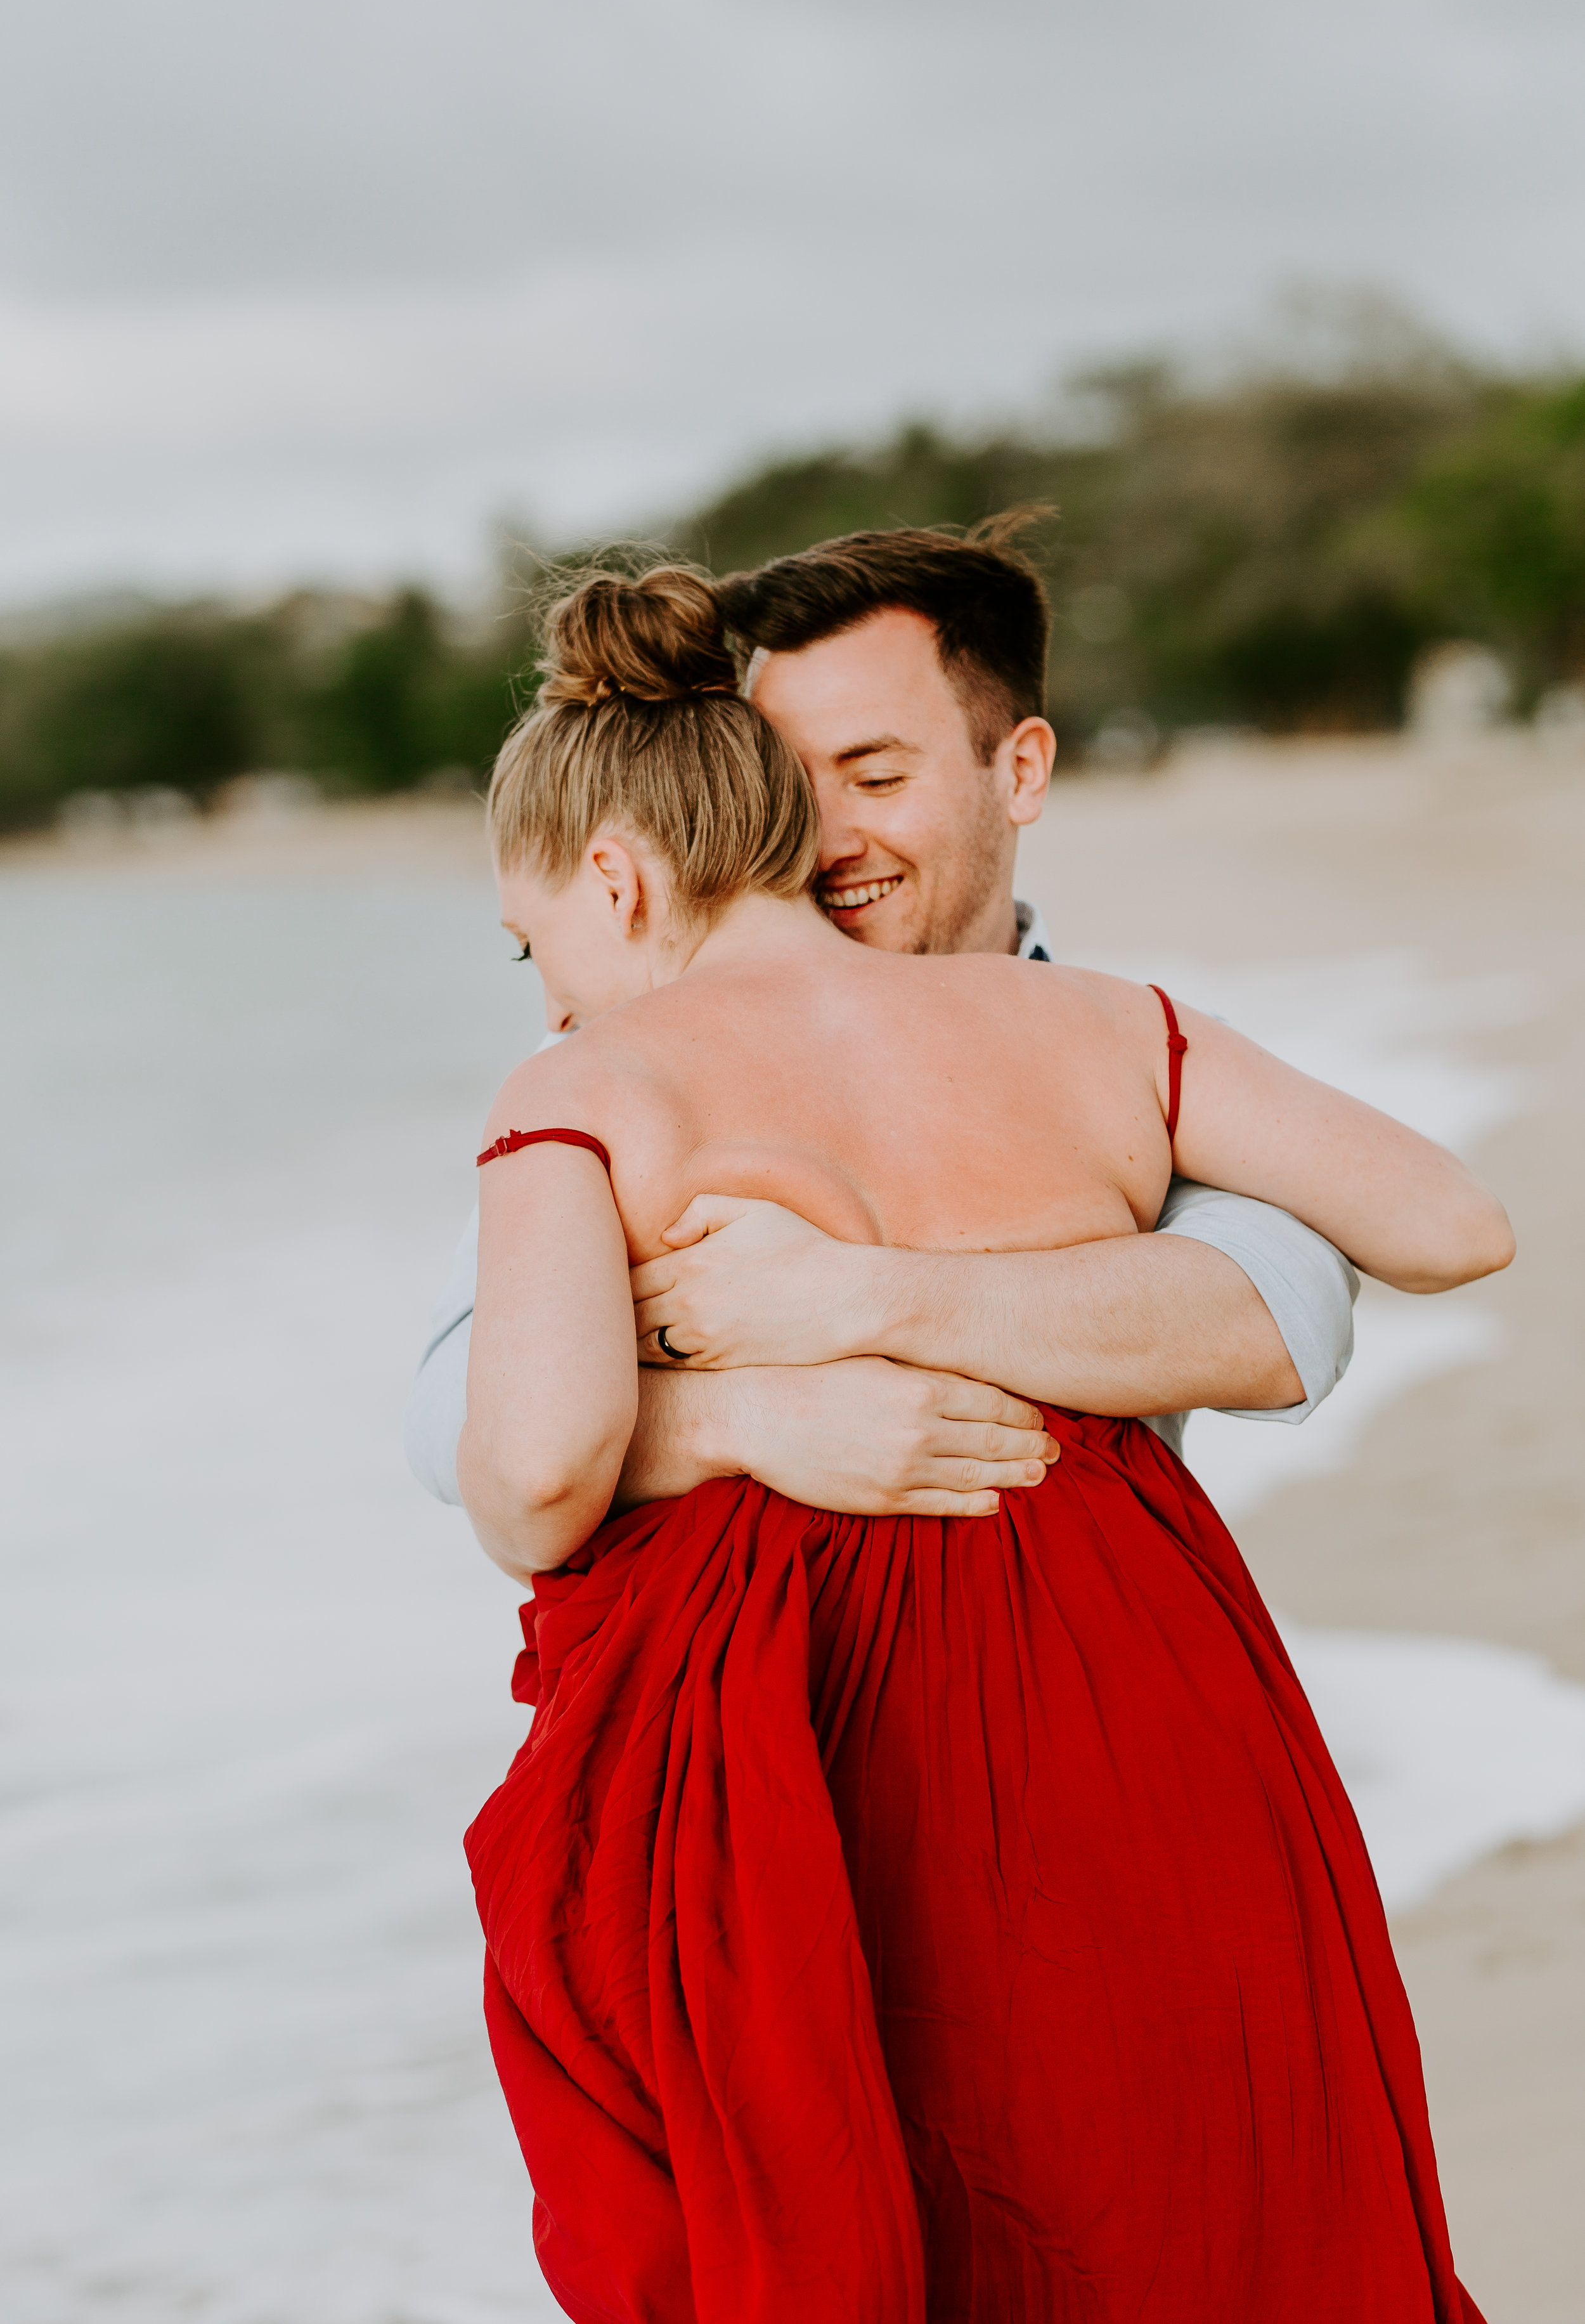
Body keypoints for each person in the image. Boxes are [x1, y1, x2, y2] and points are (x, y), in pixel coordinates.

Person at [459, 563, 1510, 2322]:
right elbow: (1445, 1220)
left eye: (528, 941)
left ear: (618, 874)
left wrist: (792, 1327)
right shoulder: (1108, 1021)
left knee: (886, 2206)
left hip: (808, 1717)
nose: (545, 991)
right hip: (1147, 1658)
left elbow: (541, 1461)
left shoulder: (587, 1085)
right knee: (1194, 2181)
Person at [405, 521, 1359, 1523]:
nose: (824, 835)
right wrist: (734, 1417)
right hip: (756, 1654)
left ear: (1021, 771)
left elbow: (1283, 1315)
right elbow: (452, 1409)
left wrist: (854, 1294)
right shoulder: (612, 1058)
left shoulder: (1121, 1046)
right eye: (783, 780)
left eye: (876, 775)